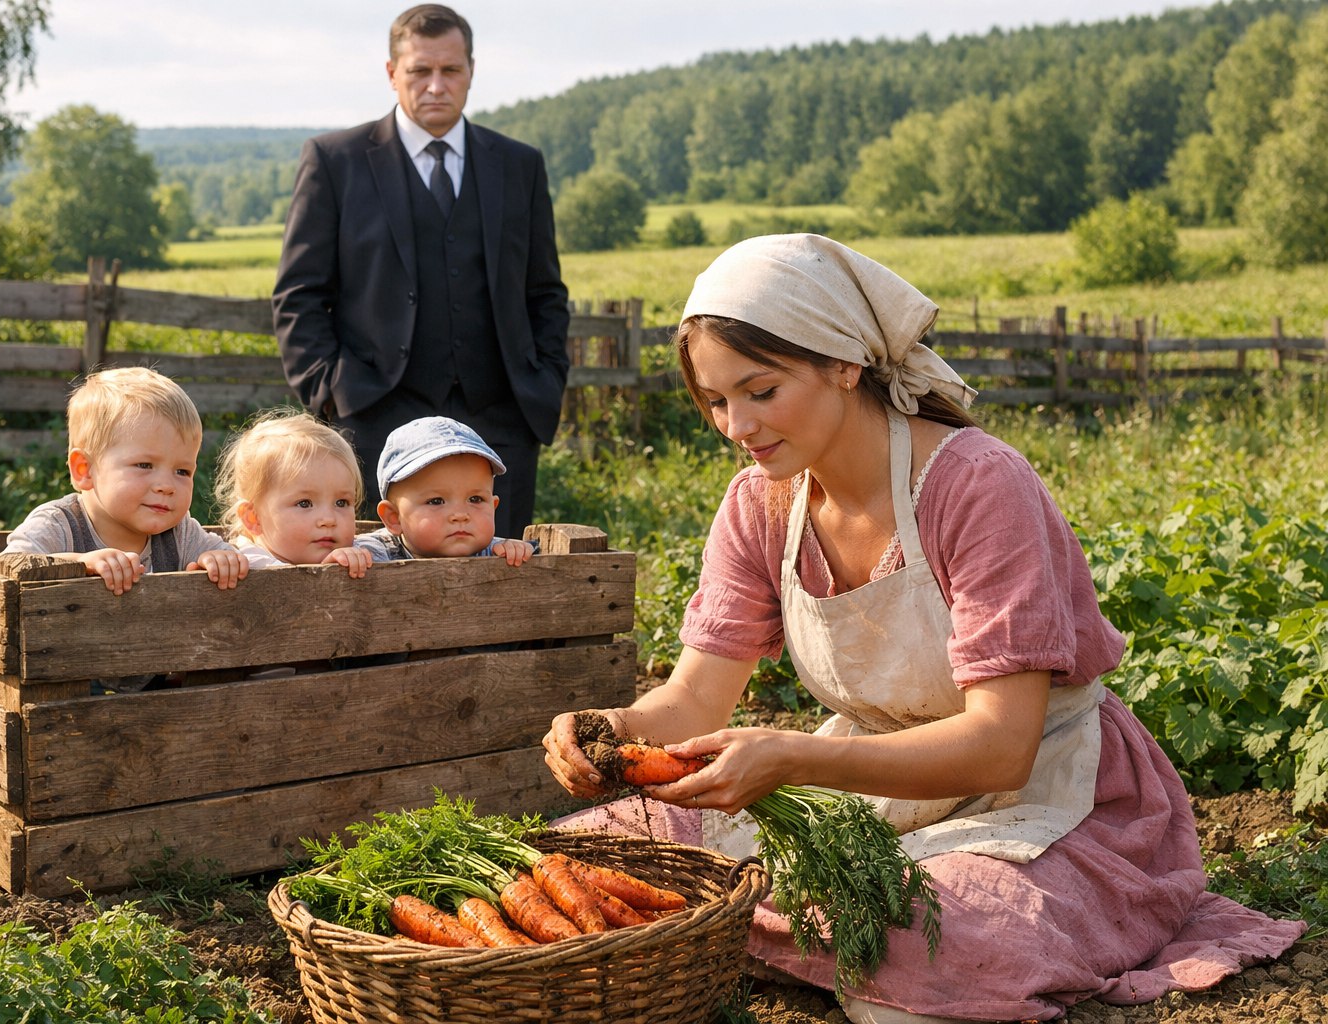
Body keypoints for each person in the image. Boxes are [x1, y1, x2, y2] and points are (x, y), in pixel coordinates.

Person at [541, 234, 1307, 1024]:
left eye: (761, 391)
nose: (737, 424)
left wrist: (797, 758)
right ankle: (793, 938)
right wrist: (613, 728)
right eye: (715, 401)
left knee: (948, 935)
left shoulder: (975, 484)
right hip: (872, 792)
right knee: (586, 853)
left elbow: (1003, 742)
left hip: (1041, 793)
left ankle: (775, 936)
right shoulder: (759, 506)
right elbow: (696, 698)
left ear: (845, 364)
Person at [272, 3, 570, 541]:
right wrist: (332, 395)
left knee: (501, 589)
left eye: (450, 70)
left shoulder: (518, 165)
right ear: (393, 74)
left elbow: (544, 292)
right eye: (419, 71)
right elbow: (299, 295)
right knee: (370, 582)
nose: (436, 85)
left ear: (471, 72)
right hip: (372, 417)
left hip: (500, 421)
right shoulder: (335, 161)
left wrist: (543, 383)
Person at [0, 366, 246, 595]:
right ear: (85, 470)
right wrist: (78, 563)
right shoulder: (58, 526)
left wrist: (220, 560)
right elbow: (3, 572)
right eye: (144, 465)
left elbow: (231, 555)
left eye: (182, 471)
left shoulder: (180, 533)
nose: (167, 486)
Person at [212, 407, 374, 577]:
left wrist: (348, 564)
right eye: (304, 503)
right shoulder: (241, 564)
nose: (328, 520)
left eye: (341, 502)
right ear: (253, 517)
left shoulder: (364, 550)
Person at [357, 415, 536, 563]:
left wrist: (518, 550)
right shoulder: (372, 553)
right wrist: (344, 557)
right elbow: (340, 559)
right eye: (436, 501)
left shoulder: (496, 552)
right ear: (394, 518)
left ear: (493, 506)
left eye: (476, 499)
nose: (460, 515)